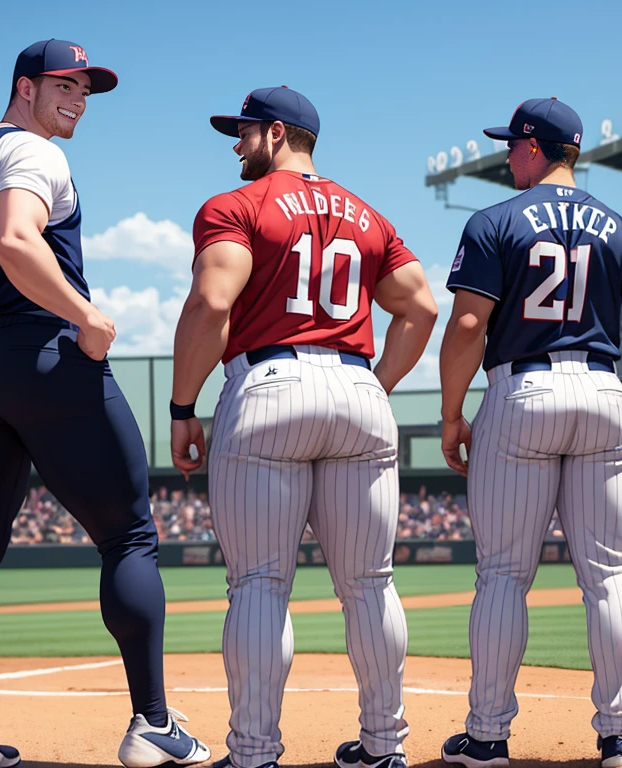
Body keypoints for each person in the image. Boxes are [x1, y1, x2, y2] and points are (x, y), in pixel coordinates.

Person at [0, 39, 209, 768]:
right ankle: (152, 725)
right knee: (130, 536)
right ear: (24, 88)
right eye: (63, 84)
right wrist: (87, 317)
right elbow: (17, 240)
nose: (77, 97)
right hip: (41, 351)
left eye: (85, 88)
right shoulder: (34, 152)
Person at [170, 86, 438, 768]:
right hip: (356, 386)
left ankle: (255, 753)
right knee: (370, 585)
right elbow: (422, 310)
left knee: (260, 585)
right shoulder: (369, 214)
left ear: (279, 134)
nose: (236, 143)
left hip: (269, 386)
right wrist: (375, 387)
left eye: (246, 131)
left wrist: (181, 407)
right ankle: (385, 748)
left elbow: (211, 301)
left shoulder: (235, 206)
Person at [438, 98, 622, 768]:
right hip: (602, 389)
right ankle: (620, 738)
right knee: (610, 577)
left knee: (505, 576)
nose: (506, 155)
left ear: (537, 148)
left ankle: (486, 737)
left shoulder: (494, 221)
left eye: (513, 145)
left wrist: (453, 413)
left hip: (523, 390)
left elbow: (465, 327)